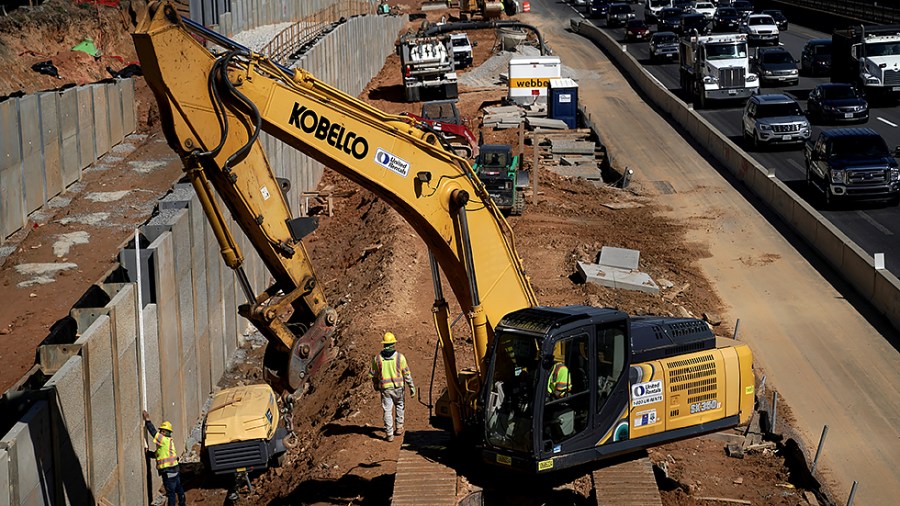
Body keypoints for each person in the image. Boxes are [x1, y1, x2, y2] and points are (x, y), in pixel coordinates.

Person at [368, 332, 416, 441]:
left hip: (385, 389)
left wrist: (375, 384)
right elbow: (406, 374)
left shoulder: (378, 359)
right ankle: (399, 427)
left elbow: (372, 374)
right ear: (394, 343)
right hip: (398, 388)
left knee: (387, 410)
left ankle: (389, 434)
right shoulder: (400, 358)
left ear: (383, 344)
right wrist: (411, 386)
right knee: (400, 405)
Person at [142, 410, 186, 506]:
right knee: (179, 488)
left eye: (162, 431)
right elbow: (159, 455)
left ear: (166, 432)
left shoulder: (164, 440)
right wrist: (148, 453)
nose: (160, 432)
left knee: (171, 494)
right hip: (175, 469)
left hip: (169, 472)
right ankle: (182, 504)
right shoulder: (168, 442)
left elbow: (153, 432)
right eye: (160, 430)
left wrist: (147, 420)